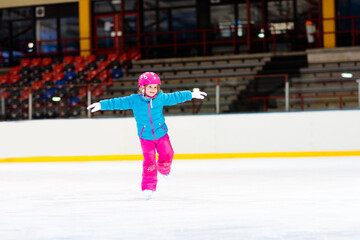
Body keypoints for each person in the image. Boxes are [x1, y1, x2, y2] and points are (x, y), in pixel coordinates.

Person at [87, 72, 207, 200]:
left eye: (155, 87)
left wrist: (191, 94)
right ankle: (148, 187)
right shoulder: (134, 100)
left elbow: (175, 97)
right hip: (145, 138)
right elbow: (118, 102)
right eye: (150, 87)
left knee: (168, 154)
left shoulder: (160, 98)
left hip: (161, 134)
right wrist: (101, 105)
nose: (153, 90)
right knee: (149, 161)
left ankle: (164, 168)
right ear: (142, 88)